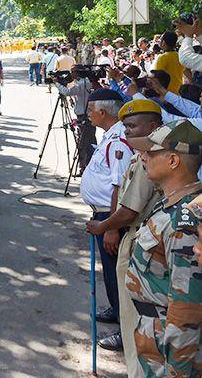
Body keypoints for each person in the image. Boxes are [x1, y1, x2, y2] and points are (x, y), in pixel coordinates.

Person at [85, 99, 162, 368]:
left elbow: (129, 207)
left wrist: (107, 226)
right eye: (126, 125)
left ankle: (129, 343)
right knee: (115, 284)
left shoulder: (151, 157)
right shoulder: (140, 152)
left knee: (131, 303)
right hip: (126, 229)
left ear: (153, 126)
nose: (127, 131)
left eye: (132, 126)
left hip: (135, 234)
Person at [124, 120, 202, 377]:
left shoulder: (185, 219)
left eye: (151, 152)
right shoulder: (171, 203)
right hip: (155, 334)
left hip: (169, 344)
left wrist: (176, 371)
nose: (143, 156)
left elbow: (187, 305)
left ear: (173, 161)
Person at [79, 89, 133, 337]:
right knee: (110, 272)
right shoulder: (111, 135)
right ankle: (115, 309)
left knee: (116, 272)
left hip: (111, 218)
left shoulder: (119, 140)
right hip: (104, 215)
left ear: (102, 111)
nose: (88, 115)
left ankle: (125, 330)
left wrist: (111, 227)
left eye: (90, 110)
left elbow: (119, 187)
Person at [55, 68, 96, 170]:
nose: (70, 74)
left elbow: (67, 92)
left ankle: (86, 166)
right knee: (88, 140)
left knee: (84, 142)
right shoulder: (86, 82)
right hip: (86, 115)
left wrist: (57, 83)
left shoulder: (81, 84)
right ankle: (85, 165)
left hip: (83, 116)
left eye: (72, 72)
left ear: (78, 74)